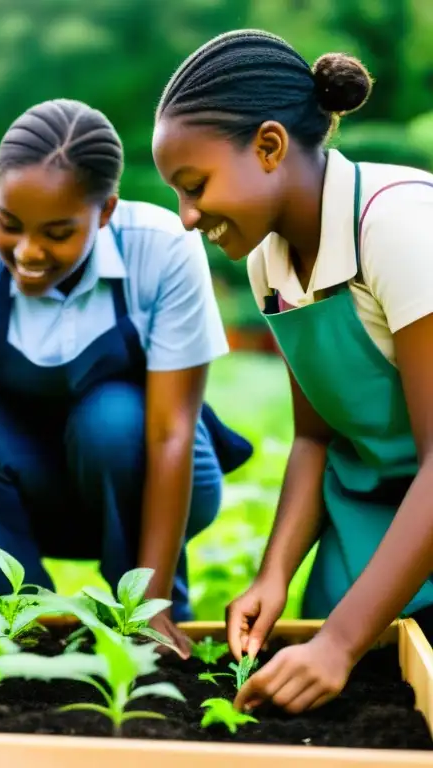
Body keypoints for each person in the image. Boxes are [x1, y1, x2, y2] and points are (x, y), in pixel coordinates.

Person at [0, 98, 252, 654]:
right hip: (35, 489)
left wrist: (154, 601)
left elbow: (170, 432)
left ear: (107, 211)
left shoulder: (162, 249)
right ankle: (18, 622)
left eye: (57, 232)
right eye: (9, 223)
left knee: (111, 417)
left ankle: (140, 619)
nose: (27, 251)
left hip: (155, 480)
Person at [153, 29, 433, 714]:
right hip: (369, 515)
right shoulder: (266, 260)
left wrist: (339, 641)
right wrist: (271, 576)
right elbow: (315, 438)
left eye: (196, 186)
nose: (187, 218)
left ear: (270, 147)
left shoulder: (398, 223)